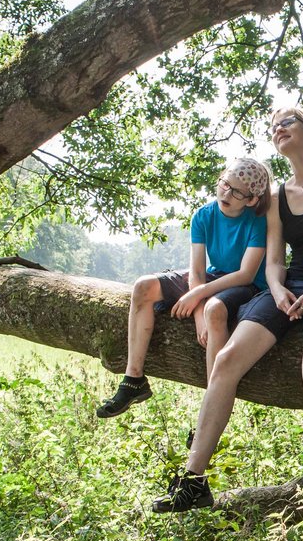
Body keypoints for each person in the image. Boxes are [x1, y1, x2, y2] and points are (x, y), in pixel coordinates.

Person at [152, 107, 303, 536]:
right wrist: (280, 287)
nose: (279, 129)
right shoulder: (276, 198)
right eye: (274, 128)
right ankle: (195, 479)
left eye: (288, 122)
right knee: (228, 358)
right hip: (290, 286)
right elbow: (272, 261)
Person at [97, 157, 272, 418]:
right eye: (225, 184)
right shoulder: (203, 216)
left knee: (215, 310)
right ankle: (134, 380)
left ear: (251, 199)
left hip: (244, 285)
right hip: (212, 277)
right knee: (143, 287)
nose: (227, 193)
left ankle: (210, 410)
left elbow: (245, 274)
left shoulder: (256, 221)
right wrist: (197, 315)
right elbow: (198, 271)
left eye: (237, 192)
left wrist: (200, 297)